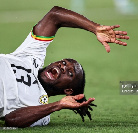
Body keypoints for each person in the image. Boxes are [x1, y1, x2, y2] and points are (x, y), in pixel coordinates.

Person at [0, 6, 129, 128]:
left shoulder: (40, 109)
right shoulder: (30, 56)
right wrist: (95, 28)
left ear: (68, 91)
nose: (63, 67)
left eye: (70, 73)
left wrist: (58, 105)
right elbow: (54, 15)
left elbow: (12, 120)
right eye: (64, 62)